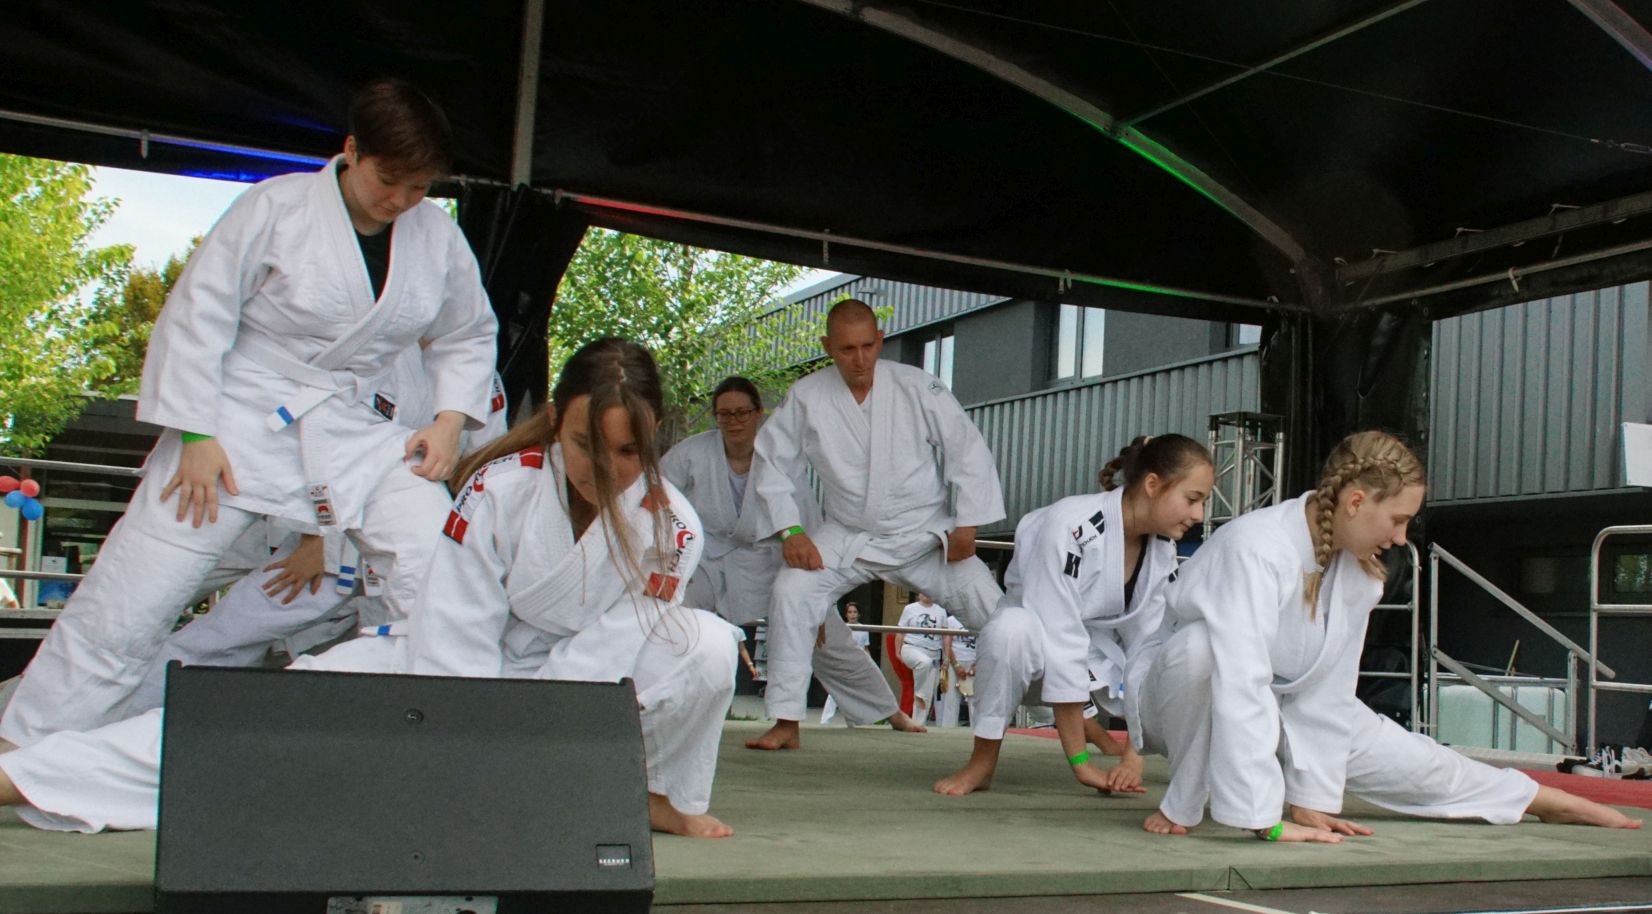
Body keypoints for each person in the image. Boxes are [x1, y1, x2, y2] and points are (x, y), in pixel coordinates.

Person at [0, 339, 740, 839]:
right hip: (443, 674)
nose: (604, 469)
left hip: (559, 693)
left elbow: (615, 652)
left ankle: (657, 796)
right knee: (260, 730)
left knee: (704, 644)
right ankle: (24, 777)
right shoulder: (499, 488)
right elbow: (454, 632)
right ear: (553, 422)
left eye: (627, 451)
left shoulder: (672, 526)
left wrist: (528, 751)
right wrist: (470, 753)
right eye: (583, 445)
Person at [0, 79, 498, 750]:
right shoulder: (275, 208)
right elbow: (199, 314)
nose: (401, 200)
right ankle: (24, 746)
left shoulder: (436, 237)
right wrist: (196, 433)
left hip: (355, 427)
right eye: (389, 180)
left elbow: (468, 332)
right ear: (352, 151)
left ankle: (439, 733)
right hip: (236, 421)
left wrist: (448, 420)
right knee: (136, 598)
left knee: (436, 557)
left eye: (419, 187)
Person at [1135, 431, 1640, 841]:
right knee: (1203, 653)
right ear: (1356, 501)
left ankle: (1541, 800)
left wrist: (1312, 796)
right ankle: (1195, 796)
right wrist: (1262, 816)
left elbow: (1329, 694)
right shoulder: (1256, 547)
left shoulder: (1358, 574)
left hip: (1281, 708)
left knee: (1415, 762)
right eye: (1398, 520)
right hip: (1176, 699)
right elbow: (1240, 680)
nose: (1400, 538)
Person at [745, 299, 1005, 751]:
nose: (860, 359)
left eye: (868, 346)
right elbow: (771, 461)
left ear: (881, 340)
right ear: (827, 347)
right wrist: (791, 530)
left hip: (925, 534)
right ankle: (786, 719)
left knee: (999, 615)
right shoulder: (807, 396)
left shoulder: (917, 385)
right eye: (847, 349)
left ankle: (1072, 708)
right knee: (791, 591)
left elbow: (965, 448)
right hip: (849, 535)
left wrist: (968, 523)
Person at [934, 435, 1213, 797]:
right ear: (1152, 485)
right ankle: (982, 760)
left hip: (1100, 663)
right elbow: (1061, 637)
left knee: (1184, 648)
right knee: (1010, 630)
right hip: (1032, 654)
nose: (1199, 515)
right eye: (1192, 499)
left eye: (1203, 502)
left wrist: (1134, 757)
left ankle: (1101, 730)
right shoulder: (1072, 527)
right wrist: (1080, 763)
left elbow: (1148, 648)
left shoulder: (1162, 550)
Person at [662, 377, 912, 731]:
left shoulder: (779, 455)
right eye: (725, 414)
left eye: (742, 412)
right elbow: (656, 492)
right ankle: (658, 703)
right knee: (671, 615)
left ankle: (888, 710)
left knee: (826, 636)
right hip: (710, 559)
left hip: (772, 557)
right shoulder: (692, 452)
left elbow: (806, 522)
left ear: (757, 413)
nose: (733, 421)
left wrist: (817, 600)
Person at [895, 594, 949, 722]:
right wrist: (897, 651)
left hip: (933, 653)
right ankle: (918, 693)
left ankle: (918, 723)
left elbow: (946, 635)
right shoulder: (910, 608)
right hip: (912, 648)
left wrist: (946, 657)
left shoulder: (941, 611)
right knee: (925, 663)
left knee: (928, 695)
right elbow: (900, 631)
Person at [820, 601, 872, 726]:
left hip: (857, 663)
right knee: (834, 692)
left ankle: (852, 719)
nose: (852, 615)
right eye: (850, 612)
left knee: (854, 693)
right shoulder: (841, 627)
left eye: (855, 612)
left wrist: (869, 663)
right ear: (846, 614)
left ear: (858, 614)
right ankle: (825, 720)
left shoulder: (863, 629)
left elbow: (865, 648)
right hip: (843, 662)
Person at [937, 611, 976, 727]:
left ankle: (978, 730)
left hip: (975, 662)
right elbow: (947, 645)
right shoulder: (951, 621)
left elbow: (986, 643)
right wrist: (956, 665)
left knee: (975, 700)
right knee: (951, 699)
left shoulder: (980, 620)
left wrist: (977, 665)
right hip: (955, 661)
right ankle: (948, 729)